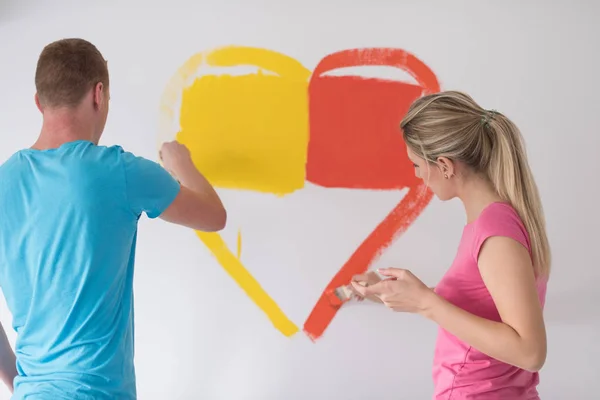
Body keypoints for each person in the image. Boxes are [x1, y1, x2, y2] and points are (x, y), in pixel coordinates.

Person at [0, 38, 226, 399]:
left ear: (39, 102)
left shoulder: (3, 182)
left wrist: (23, 385)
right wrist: (180, 163)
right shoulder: (116, 171)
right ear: (98, 94)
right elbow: (214, 216)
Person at [351, 91, 550, 399]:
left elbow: (530, 351)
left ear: (444, 165)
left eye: (416, 165)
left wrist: (426, 303)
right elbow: (479, 305)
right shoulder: (491, 222)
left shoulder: (495, 231)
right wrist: (395, 293)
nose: (417, 176)